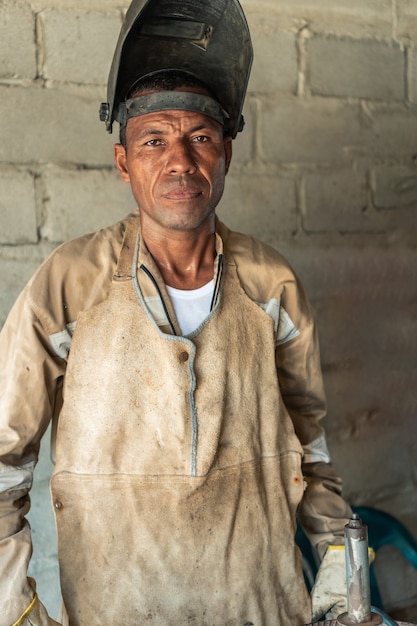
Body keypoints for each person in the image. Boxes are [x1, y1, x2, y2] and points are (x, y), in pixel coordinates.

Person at [0, 1, 352, 624]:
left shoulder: (271, 284)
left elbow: (313, 450)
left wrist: (342, 581)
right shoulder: (71, 283)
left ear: (226, 155)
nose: (180, 162)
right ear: (123, 163)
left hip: (261, 606)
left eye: (201, 138)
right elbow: (4, 461)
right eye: (154, 140)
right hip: (121, 609)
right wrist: (17, 609)